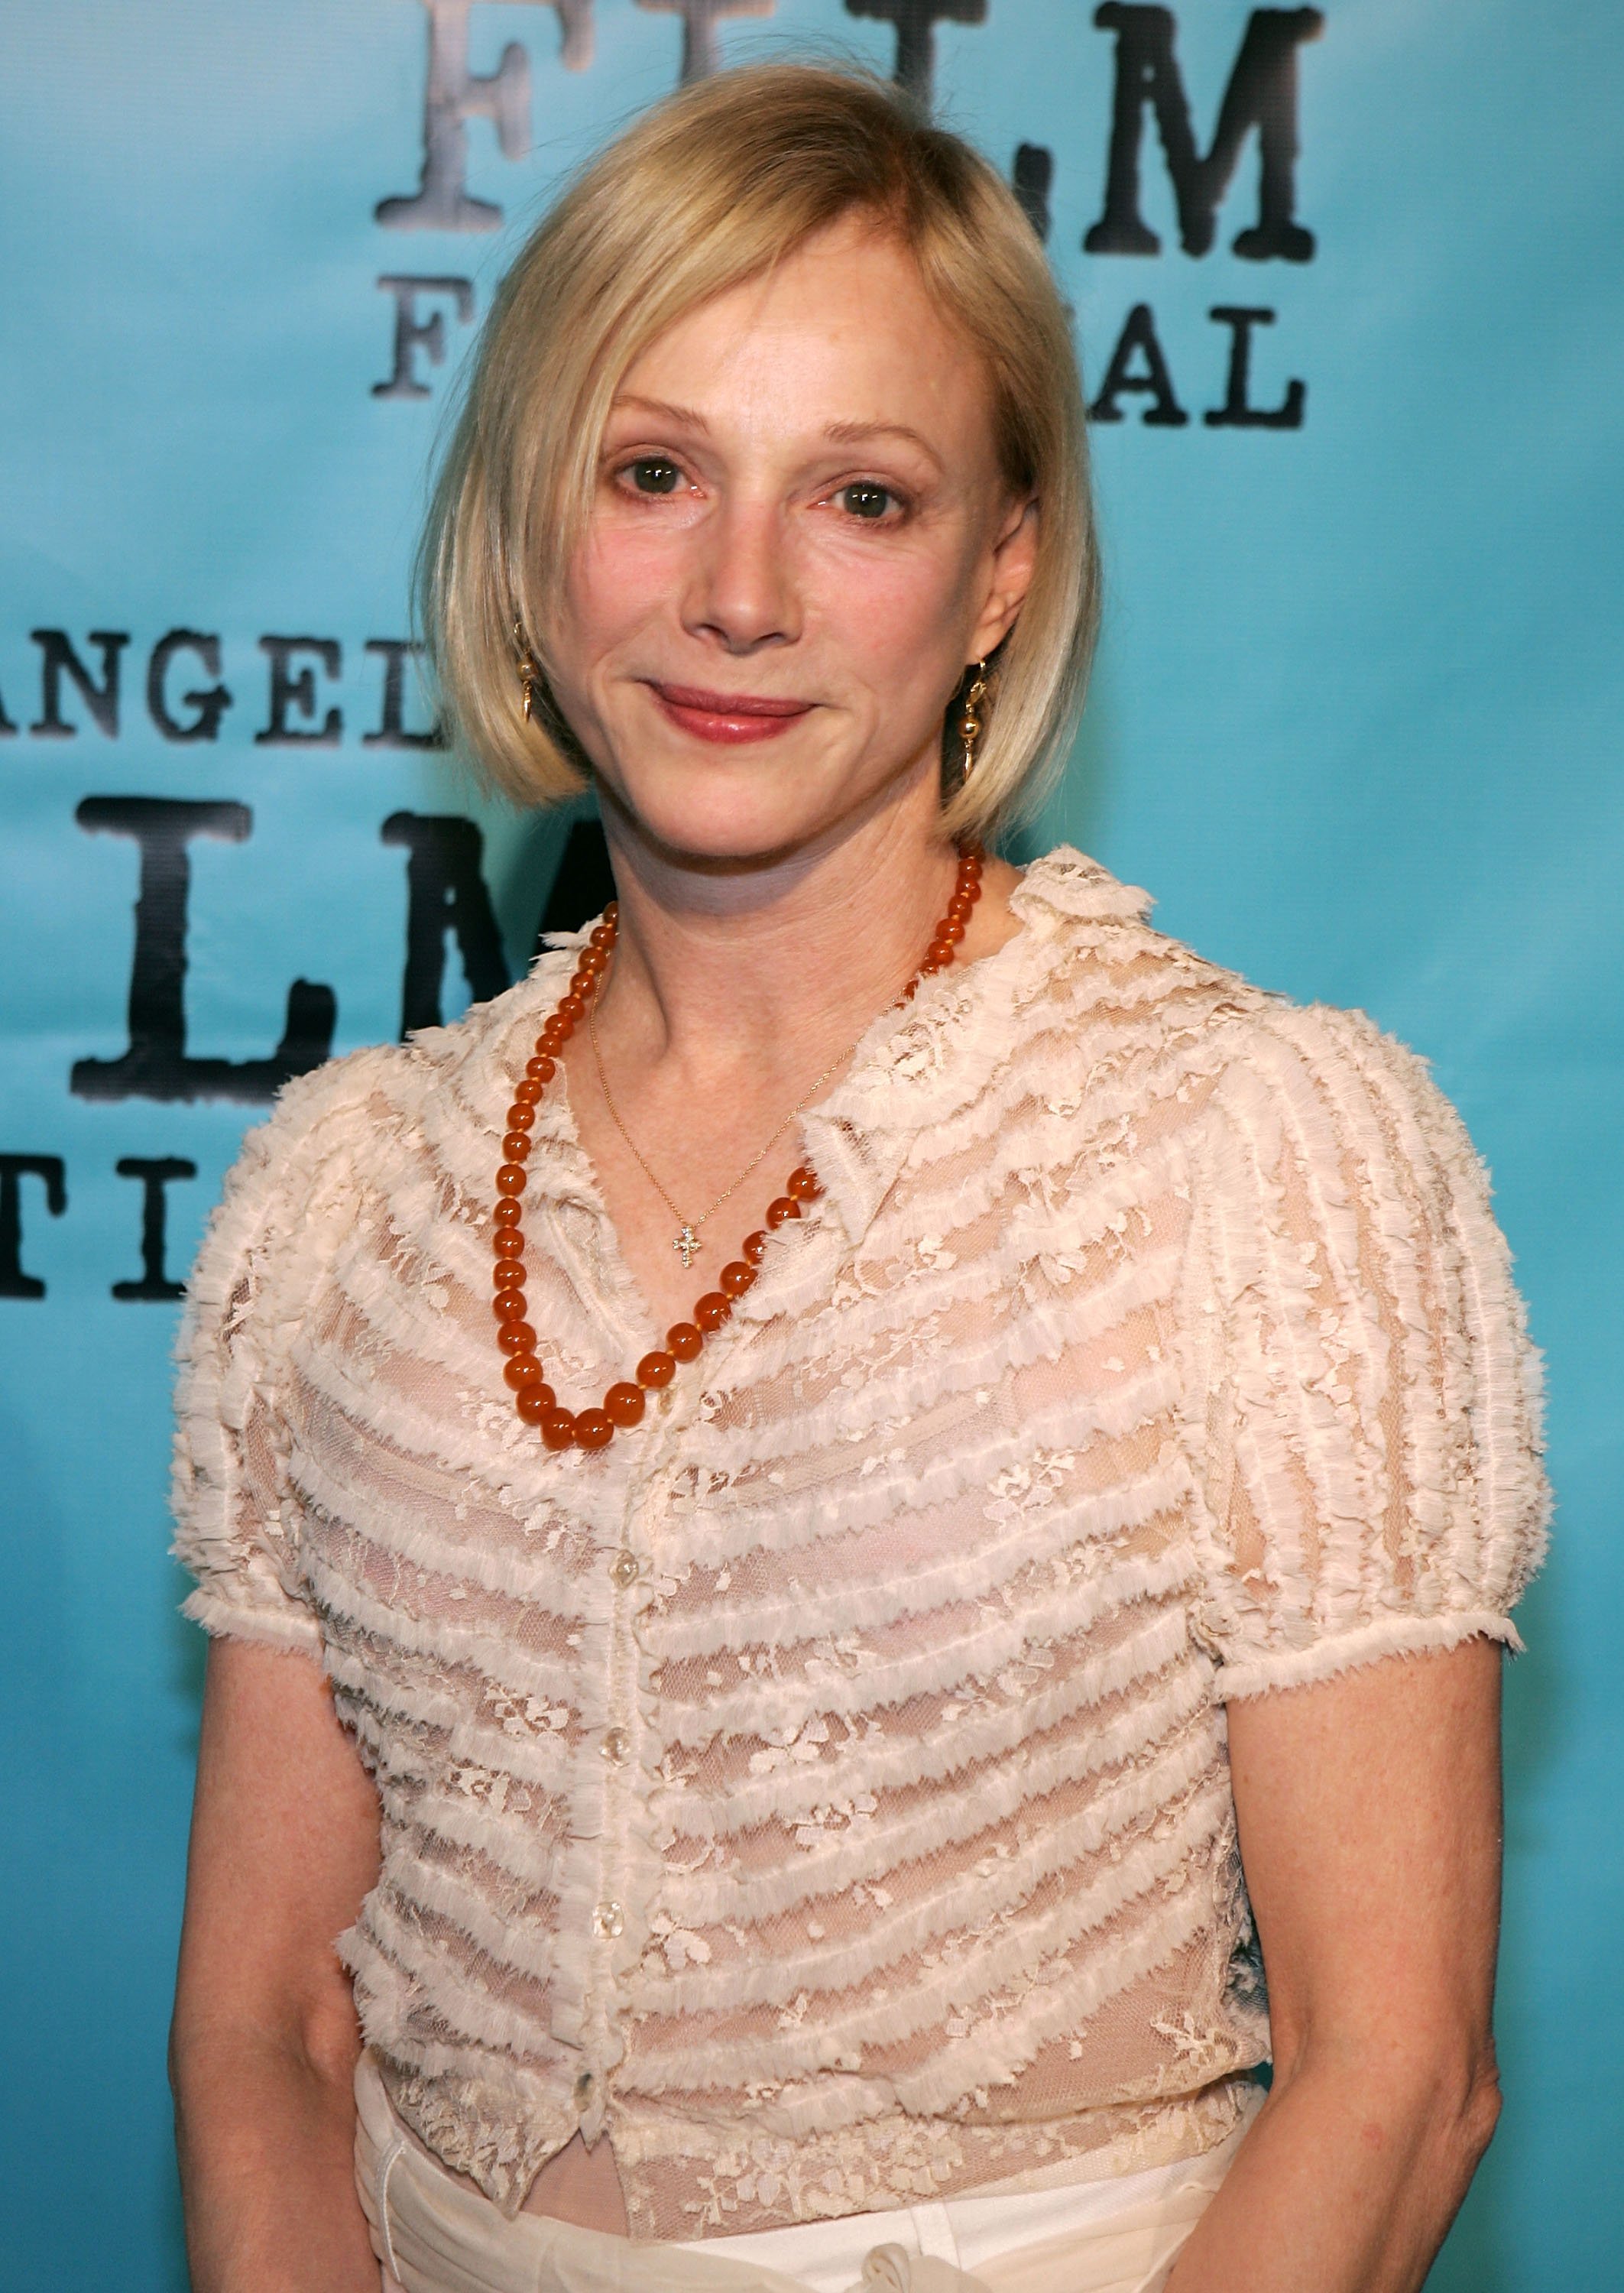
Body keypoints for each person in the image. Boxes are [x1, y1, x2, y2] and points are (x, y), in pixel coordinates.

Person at [167, 62, 1548, 2293]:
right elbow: (263, 2028)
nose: (737, 593)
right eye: (654, 473)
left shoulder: (1257, 1152)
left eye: (864, 500)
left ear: (1003, 574)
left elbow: (1399, 2081)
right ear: (537, 526)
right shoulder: (341, 1192)